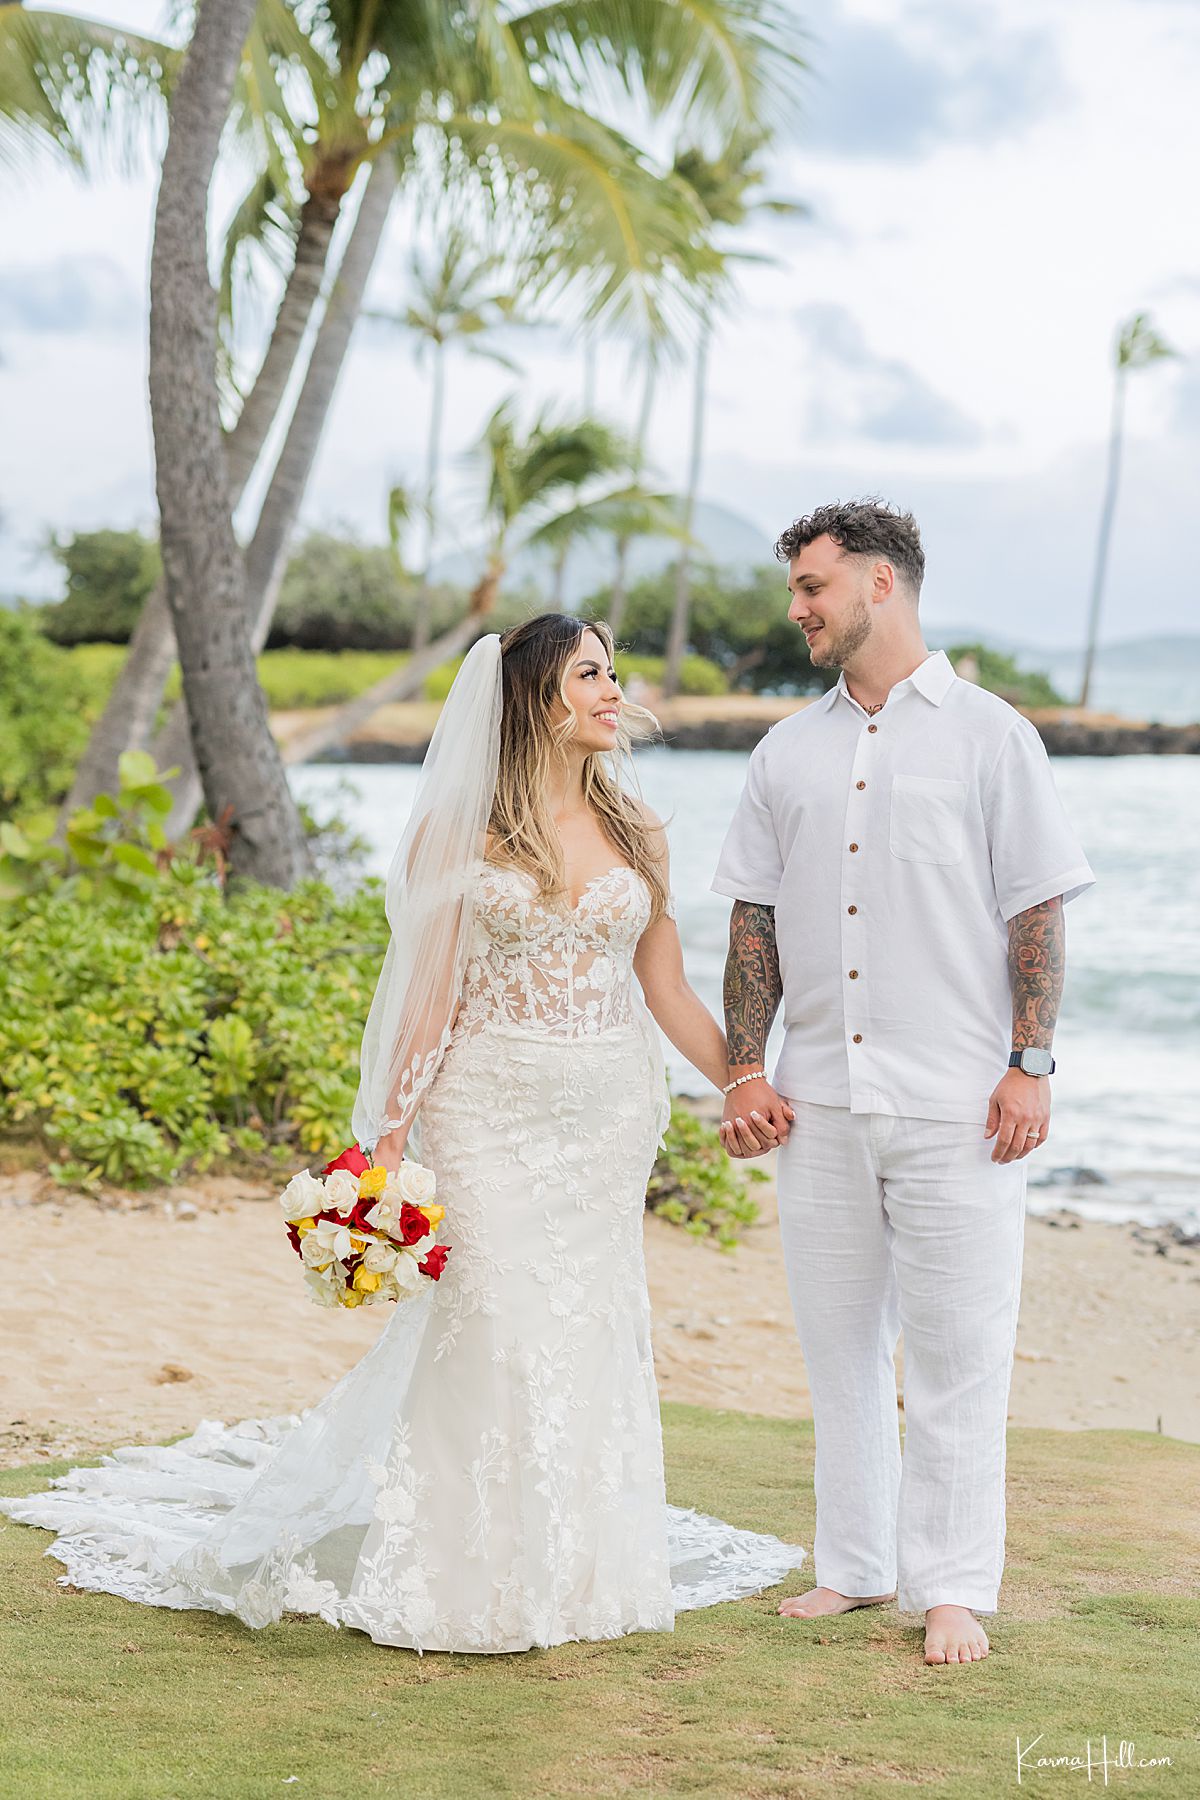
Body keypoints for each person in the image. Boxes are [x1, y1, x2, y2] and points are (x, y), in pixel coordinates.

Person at [0, 613, 804, 1652]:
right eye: (591, 673)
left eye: (615, 672)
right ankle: (462, 1579)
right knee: (497, 1326)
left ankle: (572, 1570)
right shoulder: (460, 835)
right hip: (486, 1112)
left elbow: (668, 990)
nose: (616, 690)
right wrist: (379, 1150)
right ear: (533, 699)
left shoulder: (638, 830)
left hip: (606, 1116)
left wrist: (746, 1079)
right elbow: (426, 1003)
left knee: (583, 1330)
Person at [711, 500, 1096, 1667]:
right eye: (795, 589)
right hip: (819, 1100)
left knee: (958, 1353)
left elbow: (1034, 910)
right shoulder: (787, 750)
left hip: (959, 1105)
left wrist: (1030, 1065)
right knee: (838, 1350)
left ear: (880, 584)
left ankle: (954, 1587)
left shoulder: (992, 737)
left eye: (813, 587)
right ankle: (855, 1568)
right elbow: (754, 922)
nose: (798, 610)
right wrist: (742, 1066)